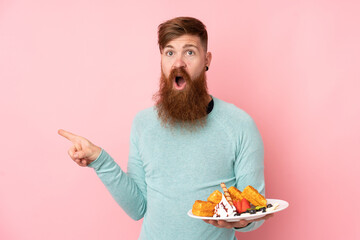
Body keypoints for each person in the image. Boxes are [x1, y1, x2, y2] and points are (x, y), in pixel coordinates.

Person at [58, 16, 272, 240]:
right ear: (161, 59)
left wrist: (243, 221)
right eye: (170, 53)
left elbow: (254, 209)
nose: (178, 63)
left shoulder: (240, 125)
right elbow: (138, 208)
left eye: (190, 52)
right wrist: (99, 161)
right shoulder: (143, 124)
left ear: (207, 60)